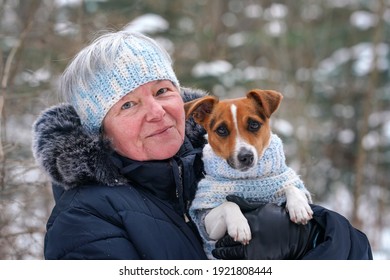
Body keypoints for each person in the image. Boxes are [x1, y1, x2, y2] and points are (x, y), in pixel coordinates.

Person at [32, 30, 372, 260]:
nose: (157, 111)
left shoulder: (220, 164)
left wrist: (308, 239)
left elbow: (355, 251)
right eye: (128, 105)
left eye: (163, 91)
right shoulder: (82, 220)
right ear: (99, 132)